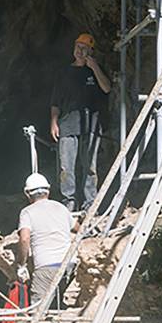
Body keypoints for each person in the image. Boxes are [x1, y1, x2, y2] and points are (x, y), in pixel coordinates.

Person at [49, 33, 111, 212]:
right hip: (67, 125)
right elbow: (55, 101)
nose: (80, 51)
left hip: (91, 125)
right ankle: (68, 202)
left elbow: (107, 88)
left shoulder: (96, 70)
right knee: (66, 166)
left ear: (91, 51)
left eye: (84, 48)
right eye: (78, 47)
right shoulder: (63, 73)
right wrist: (53, 122)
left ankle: (90, 202)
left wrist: (94, 68)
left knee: (89, 166)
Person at [15, 173, 74, 304]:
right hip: (69, 264)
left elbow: (24, 239)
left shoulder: (27, 212)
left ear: (27, 194)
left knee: (38, 309)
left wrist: (21, 265)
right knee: (62, 307)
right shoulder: (62, 208)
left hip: (46, 266)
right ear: (48, 190)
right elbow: (78, 228)